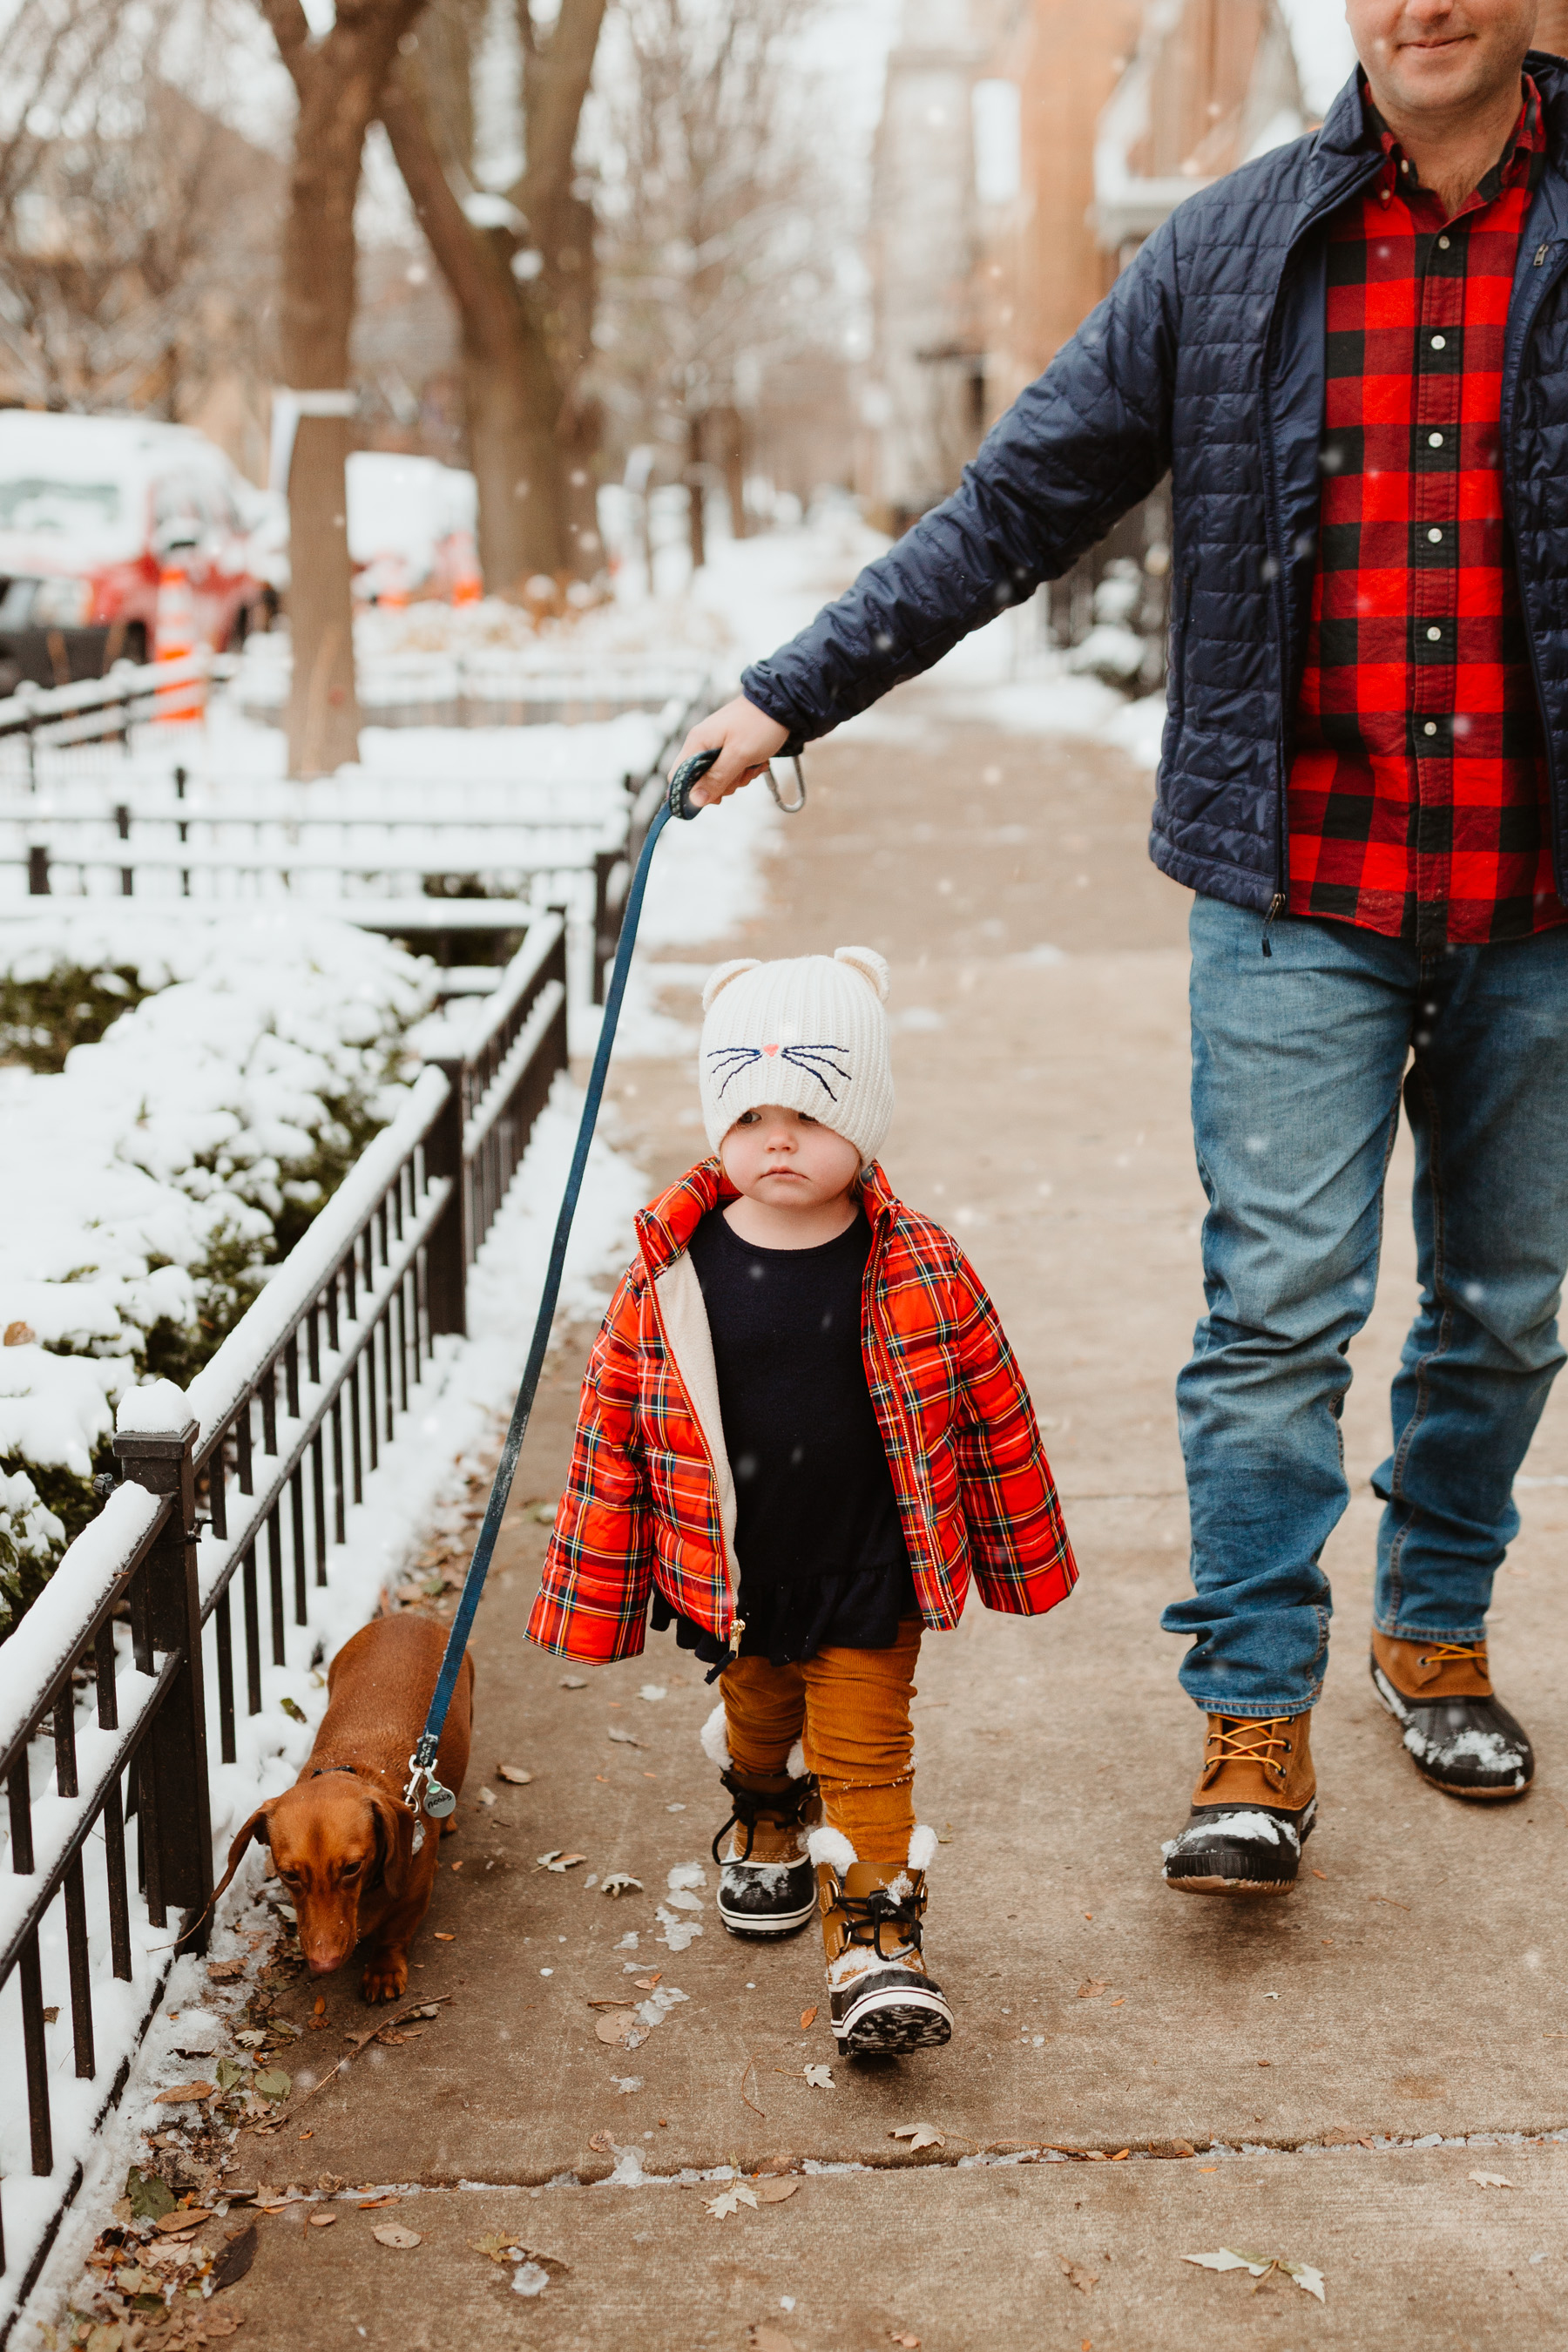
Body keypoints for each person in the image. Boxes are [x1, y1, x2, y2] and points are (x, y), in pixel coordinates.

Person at [672, 0, 1568, 1897]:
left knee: (1502, 1306)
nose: (1425, 5)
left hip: (1548, 900)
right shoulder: (1229, 247)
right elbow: (1017, 504)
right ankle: (1255, 1716)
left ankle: (1435, 1627)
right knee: (1277, 1318)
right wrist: (789, 695)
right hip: (1294, 886)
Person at [526, 946, 1076, 2052]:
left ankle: (877, 1948)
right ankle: (768, 1808)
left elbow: (992, 1406)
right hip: (734, 1574)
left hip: (871, 1569)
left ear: (865, 1121)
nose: (780, 1139)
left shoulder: (918, 1261)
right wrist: (594, 1590)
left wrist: (1021, 1551)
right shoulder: (670, 1271)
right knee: (763, 1715)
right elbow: (610, 1440)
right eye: (752, 1114)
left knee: (870, 1754)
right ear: (717, 1126)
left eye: (812, 1113)